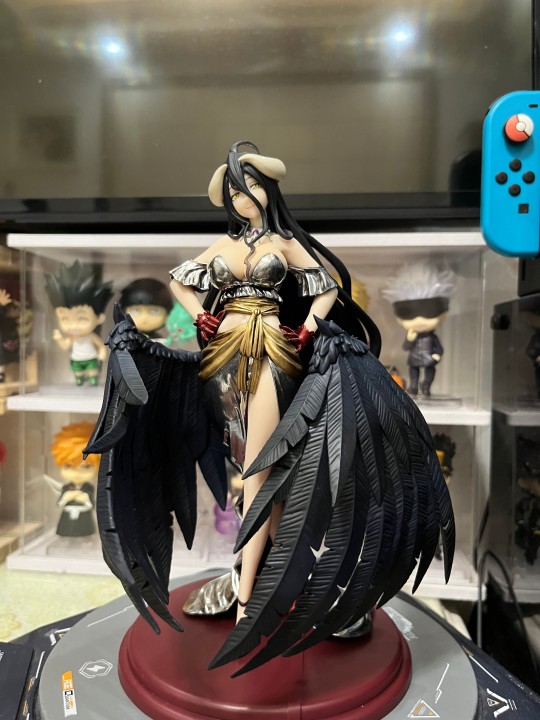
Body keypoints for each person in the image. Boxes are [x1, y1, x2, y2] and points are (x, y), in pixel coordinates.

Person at [86, 141, 454, 674]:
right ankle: (268, 574)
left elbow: (325, 286)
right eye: (235, 191)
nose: (244, 198)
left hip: (272, 354)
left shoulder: (284, 242)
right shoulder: (224, 244)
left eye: (252, 187)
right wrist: (199, 315)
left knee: (259, 472)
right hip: (223, 356)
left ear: (268, 191)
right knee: (247, 467)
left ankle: (247, 604)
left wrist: (308, 327)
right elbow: (179, 280)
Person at [45, 262, 113, 386]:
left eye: (82, 319)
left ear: (99, 318)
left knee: (92, 373)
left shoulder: (91, 336)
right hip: (76, 360)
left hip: (91, 358)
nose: (73, 326)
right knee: (78, 374)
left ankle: (92, 379)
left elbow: (101, 345)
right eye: (65, 319)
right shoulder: (72, 337)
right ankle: (79, 379)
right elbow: (65, 346)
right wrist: (59, 339)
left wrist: (102, 352)